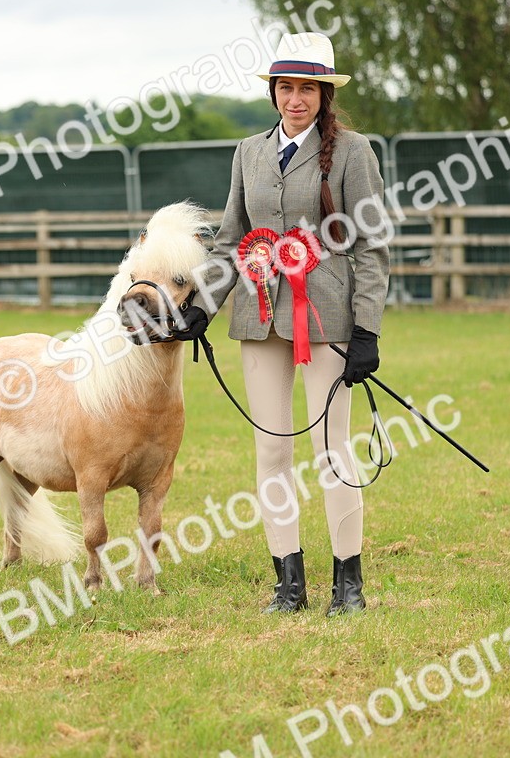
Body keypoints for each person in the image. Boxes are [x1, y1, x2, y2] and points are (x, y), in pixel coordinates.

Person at [176, 32, 390, 616]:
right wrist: (202, 306)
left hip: (328, 319)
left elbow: (370, 244)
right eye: (286, 88)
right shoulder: (247, 151)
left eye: (307, 89)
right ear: (274, 92)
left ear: (323, 93)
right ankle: (288, 584)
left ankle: (348, 585)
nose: (295, 99)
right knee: (270, 451)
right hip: (258, 316)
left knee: (331, 450)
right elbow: (229, 242)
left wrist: (366, 328)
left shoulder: (352, 151)